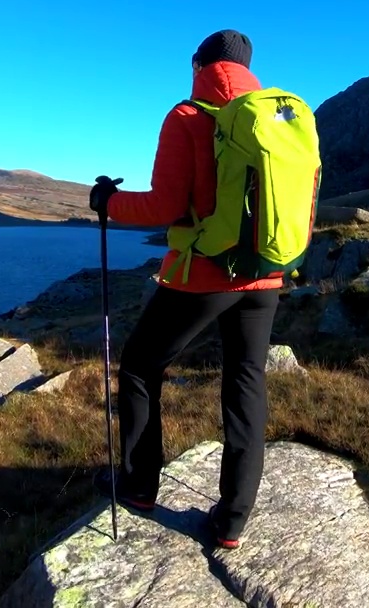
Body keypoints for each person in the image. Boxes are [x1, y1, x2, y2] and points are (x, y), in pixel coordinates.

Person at [88, 29, 283, 550]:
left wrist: (108, 201)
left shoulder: (189, 116)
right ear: (247, 68)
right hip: (266, 274)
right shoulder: (276, 121)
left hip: (206, 274)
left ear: (199, 64)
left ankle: (139, 486)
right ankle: (233, 520)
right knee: (246, 381)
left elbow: (164, 208)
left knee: (140, 364)